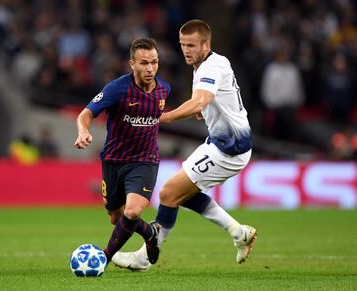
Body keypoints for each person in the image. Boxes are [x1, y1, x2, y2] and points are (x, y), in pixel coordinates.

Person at [112, 19, 257, 271]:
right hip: (220, 143)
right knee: (181, 194)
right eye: (182, 45)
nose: (186, 50)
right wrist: (204, 109)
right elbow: (207, 101)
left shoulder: (210, 67)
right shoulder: (205, 64)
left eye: (191, 45)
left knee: (169, 193)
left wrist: (163, 117)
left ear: (206, 45)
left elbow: (199, 100)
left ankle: (145, 258)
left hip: (229, 150)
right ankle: (238, 232)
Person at [74, 37, 171, 266]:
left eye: (154, 62)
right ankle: (150, 233)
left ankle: (102, 259)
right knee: (115, 218)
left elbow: (162, 116)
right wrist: (82, 131)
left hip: (145, 161)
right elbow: (85, 114)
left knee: (133, 211)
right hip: (113, 161)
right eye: (144, 63)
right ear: (132, 64)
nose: (150, 68)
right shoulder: (117, 89)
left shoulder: (164, 89)